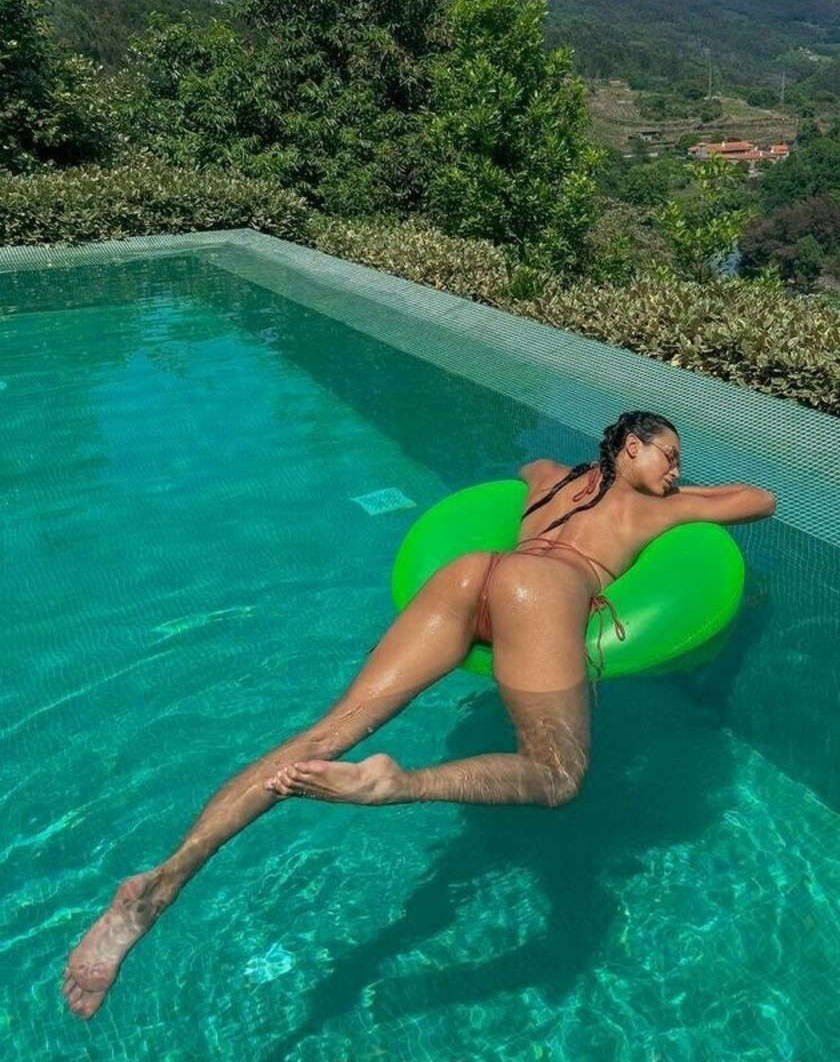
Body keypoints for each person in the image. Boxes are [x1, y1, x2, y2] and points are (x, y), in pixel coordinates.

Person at [61, 411, 776, 1018]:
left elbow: (525, 466)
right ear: (629, 447)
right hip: (545, 590)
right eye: (668, 454)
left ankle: (161, 883)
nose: (677, 471)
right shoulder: (659, 508)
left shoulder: (551, 477)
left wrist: (599, 475)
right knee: (558, 774)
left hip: (472, 573)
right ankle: (396, 783)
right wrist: (680, 492)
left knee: (322, 734)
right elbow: (759, 499)